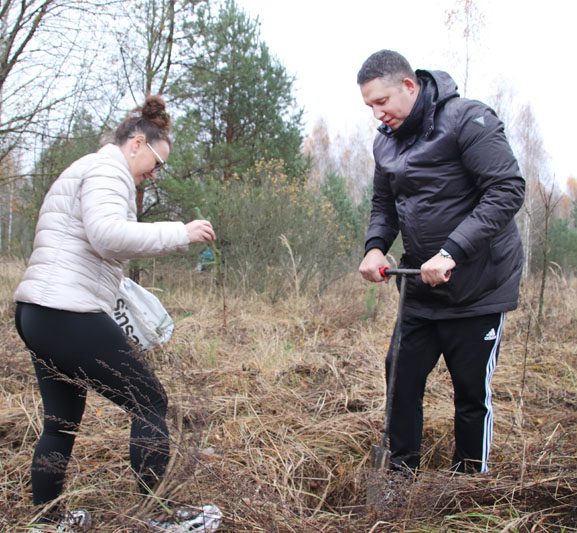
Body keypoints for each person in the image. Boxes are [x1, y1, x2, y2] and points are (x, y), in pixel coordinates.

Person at [14, 95, 217, 530]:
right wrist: (179, 232)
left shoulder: (86, 168)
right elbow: (107, 235)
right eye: (156, 163)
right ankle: (157, 516)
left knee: (61, 421)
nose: (154, 174)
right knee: (150, 402)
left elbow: (86, 243)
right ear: (137, 143)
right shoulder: (110, 169)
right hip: (68, 311)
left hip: (38, 313)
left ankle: (48, 522)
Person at [357, 50, 525, 474]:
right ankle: (400, 472)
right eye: (369, 106)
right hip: (419, 287)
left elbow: (506, 190)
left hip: (479, 285)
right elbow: (384, 204)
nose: (378, 114)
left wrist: (451, 251)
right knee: (401, 379)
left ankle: (469, 481)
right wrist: (375, 247)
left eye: (382, 102)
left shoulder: (468, 119)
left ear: (409, 86)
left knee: (470, 391)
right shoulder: (385, 142)